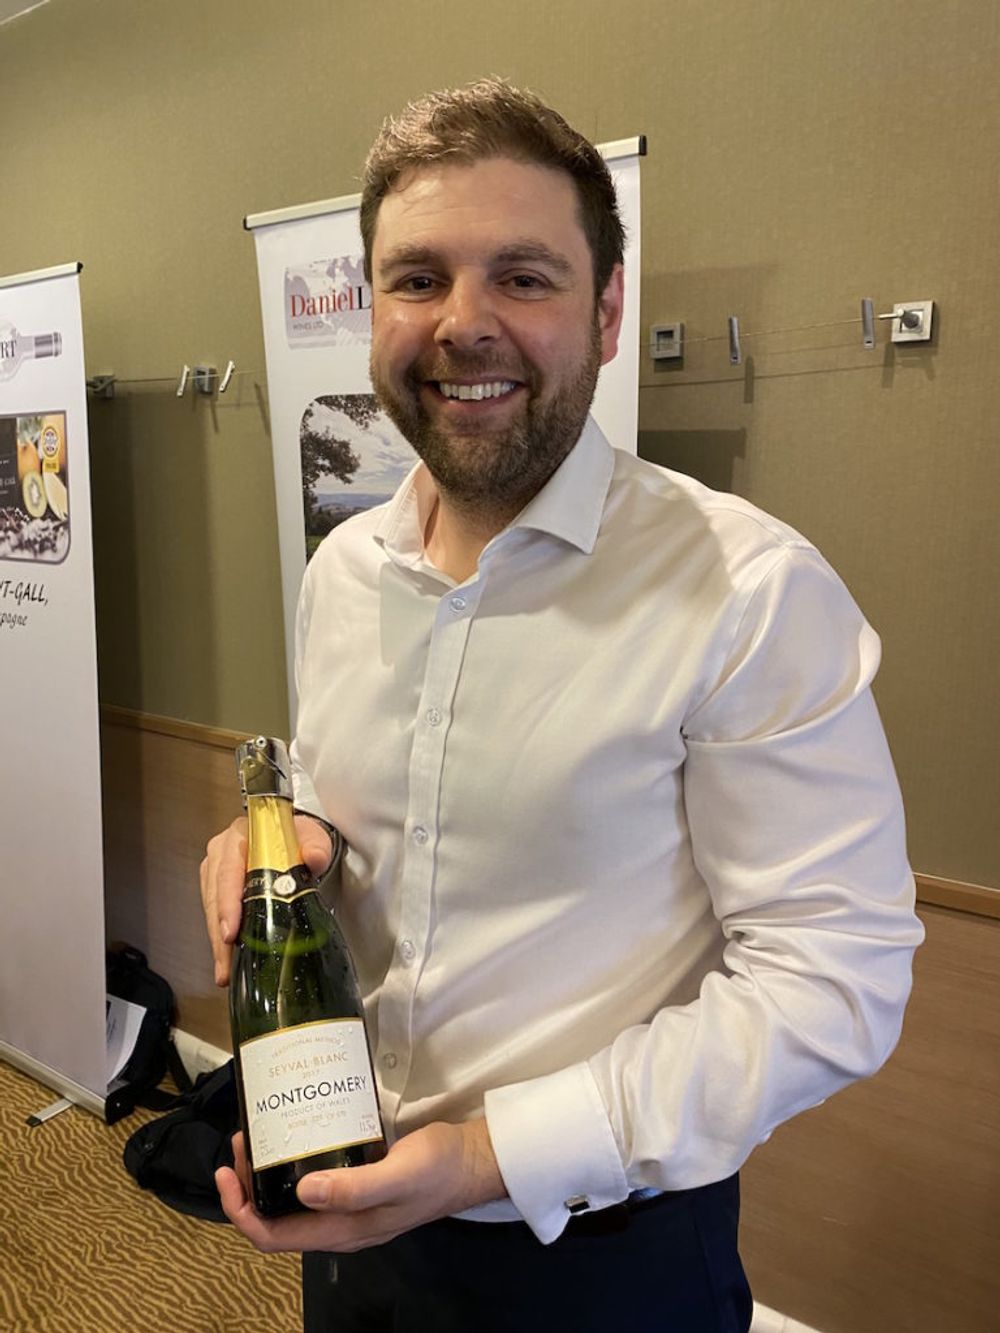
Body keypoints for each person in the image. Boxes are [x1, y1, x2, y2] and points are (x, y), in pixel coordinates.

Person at [200, 77, 923, 1332]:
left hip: (599, 1261)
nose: (461, 324)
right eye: (416, 278)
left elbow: (835, 981)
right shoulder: (343, 570)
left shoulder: (746, 591)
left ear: (606, 310)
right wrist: (297, 828)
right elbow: (350, 783)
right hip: (355, 1212)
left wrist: (491, 1156)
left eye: (523, 278)